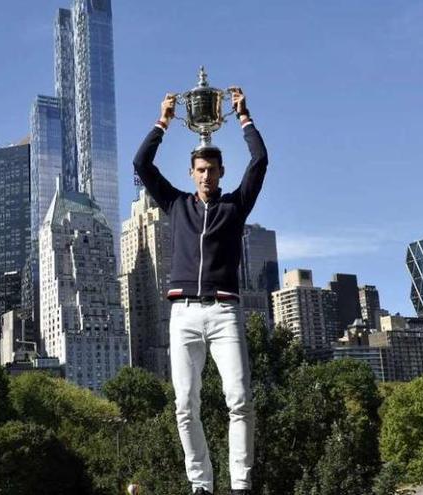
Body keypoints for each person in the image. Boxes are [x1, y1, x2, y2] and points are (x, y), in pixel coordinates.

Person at [132, 87, 269, 495]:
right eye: (200, 171)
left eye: (212, 170)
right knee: (184, 406)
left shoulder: (235, 206)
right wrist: (164, 121)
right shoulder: (176, 205)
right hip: (184, 317)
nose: (207, 176)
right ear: (192, 174)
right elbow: (141, 163)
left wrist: (244, 117)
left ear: (221, 173)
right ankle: (201, 485)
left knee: (239, 399)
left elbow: (260, 161)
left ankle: (240, 484)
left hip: (225, 313)